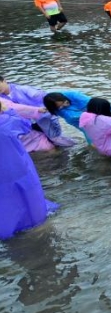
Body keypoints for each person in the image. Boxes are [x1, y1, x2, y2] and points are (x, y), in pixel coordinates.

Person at [0, 100, 58, 240]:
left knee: (5, 199)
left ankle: (8, 227)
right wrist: (7, 110)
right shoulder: (6, 121)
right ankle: (35, 221)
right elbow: (25, 126)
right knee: (28, 193)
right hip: (17, 165)